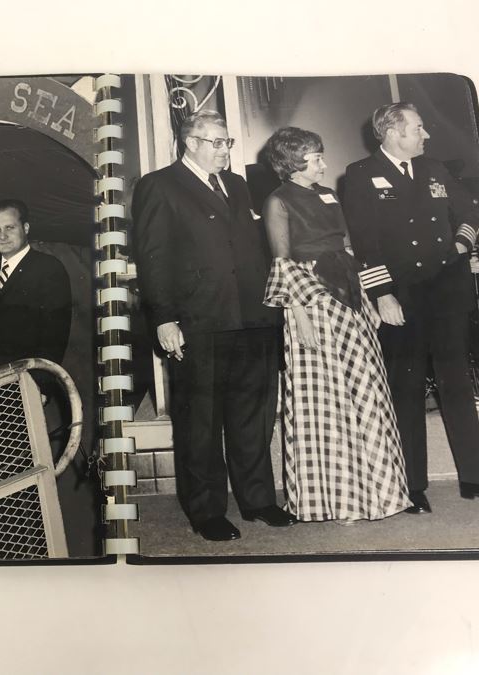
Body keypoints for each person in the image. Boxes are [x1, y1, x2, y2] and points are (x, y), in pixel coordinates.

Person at [343, 102, 479, 513]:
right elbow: (365, 243)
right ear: (391, 133)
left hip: (446, 291)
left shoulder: (436, 169)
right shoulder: (360, 175)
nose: (425, 135)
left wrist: (461, 243)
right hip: (401, 295)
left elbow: (470, 210)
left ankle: (478, 479)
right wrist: (382, 293)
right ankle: (412, 485)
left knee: (456, 384)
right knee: (406, 388)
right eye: (418, 128)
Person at [131, 110, 293, 541]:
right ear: (191, 143)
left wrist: (271, 310)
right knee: (199, 422)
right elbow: (153, 259)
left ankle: (258, 500)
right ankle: (206, 510)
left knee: (250, 416)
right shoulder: (158, 186)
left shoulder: (236, 186)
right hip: (197, 322)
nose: (225, 150)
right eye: (217, 143)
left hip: (249, 318)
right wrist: (164, 318)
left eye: (227, 143)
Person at [262, 127, 410, 522]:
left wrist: (366, 298)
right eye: (315, 159)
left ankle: (378, 494)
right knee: (326, 401)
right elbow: (283, 265)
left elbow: (346, 247)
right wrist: (300, 317)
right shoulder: (278, 201)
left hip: (349, 296)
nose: (324, 164)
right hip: (311, 302)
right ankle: (338, 501)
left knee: (365, 389)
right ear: (294, 162)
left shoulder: (327, 195)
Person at [0, 199, 72, 371]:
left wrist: (42, 386)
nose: (3, 236)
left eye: (10, 227)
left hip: (26, 380)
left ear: (25, 228)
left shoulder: (48, 268)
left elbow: (54, 338)